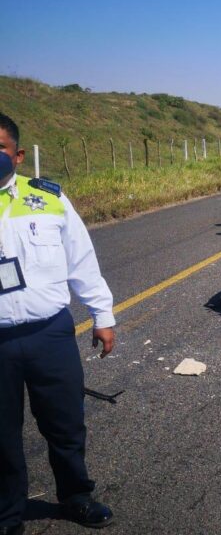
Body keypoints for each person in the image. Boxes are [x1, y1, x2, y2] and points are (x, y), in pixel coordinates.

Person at [0, 113, 115, 533]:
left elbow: (81, 259)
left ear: (16, 155)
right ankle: (7, 516)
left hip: (50, 333)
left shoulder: (48, 197)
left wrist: (101, 315)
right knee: (2, 439)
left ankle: (77, 496)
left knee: (65, 423)